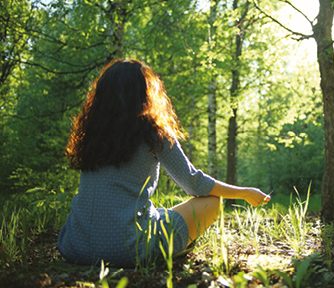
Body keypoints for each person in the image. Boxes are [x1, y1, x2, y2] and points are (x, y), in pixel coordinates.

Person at [57, 59, 270, 267]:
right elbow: (194, 184)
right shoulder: (154, 133)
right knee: (212, 202)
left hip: (75, 246)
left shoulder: (91, 134)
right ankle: (174, 250)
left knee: (155, 212)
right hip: (130, 251)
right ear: (146, 93)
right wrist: (244, 192)